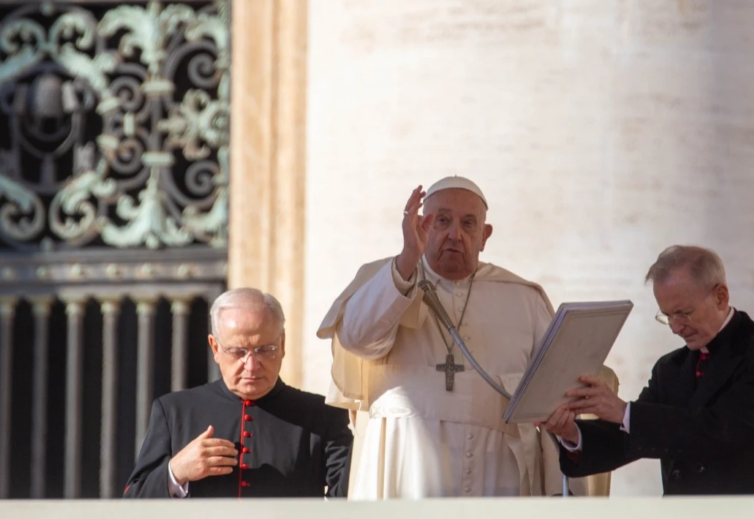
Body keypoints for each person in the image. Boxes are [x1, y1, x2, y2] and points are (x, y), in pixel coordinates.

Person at [316, 176, 574, 498]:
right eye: (442, 221)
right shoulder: (389, 279)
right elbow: (358, 339)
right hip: (404, 463)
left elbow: (557, 389)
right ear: (421, 226)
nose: (455, 234)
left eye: (468, 224)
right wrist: (408, 258)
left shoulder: (524, 299)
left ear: (485, 235)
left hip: (496, 471)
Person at [540, 245, 754, 495]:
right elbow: (629, 439)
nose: (675, 328)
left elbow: (718, 431)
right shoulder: (670, 369)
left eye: (683, 313)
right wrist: (572, 433)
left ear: (720, 297)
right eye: (667, 316)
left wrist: (623, 411)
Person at [125, 288, 352, 498]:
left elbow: (353, 496)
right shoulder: (174, 411)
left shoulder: (322, 415)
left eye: (265, 349)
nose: (251, 366)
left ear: (282, 344)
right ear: (215, 348)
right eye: (237, 352)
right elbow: (133, 502)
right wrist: (176, 472)